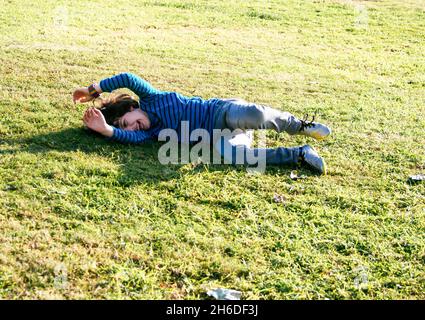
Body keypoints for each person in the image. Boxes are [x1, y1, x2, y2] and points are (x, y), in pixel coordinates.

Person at [73, 72, 331, 174]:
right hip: (222, 136)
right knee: (237, 157)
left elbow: (128, 77)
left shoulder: (151, 98)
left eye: (126, 122)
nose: (131, 128)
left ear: (131, 107)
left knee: (257, 115)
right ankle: (300, 155)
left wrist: (92, 89)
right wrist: (107, 131)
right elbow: (129, 137)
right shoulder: (151, 133)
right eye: (123, 129)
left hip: (222, 112)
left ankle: (300, 126)